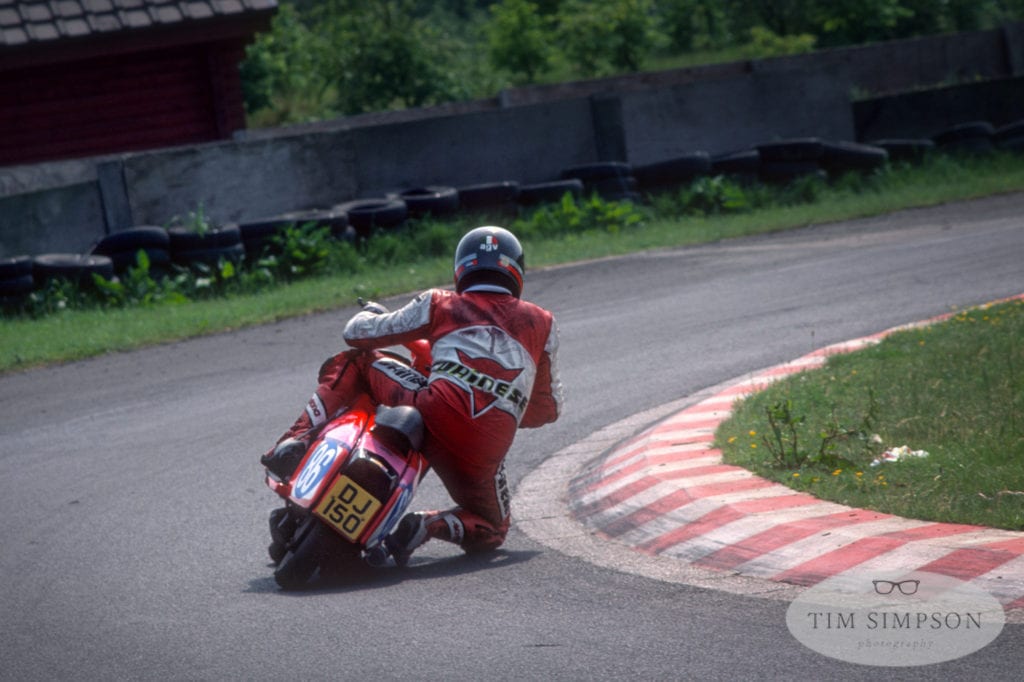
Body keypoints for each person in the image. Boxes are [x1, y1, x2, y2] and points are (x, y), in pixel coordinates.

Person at [262, 225, 563, 566]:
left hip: (432, 409)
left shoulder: (441, 302)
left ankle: (294, 441)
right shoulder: (544, 323)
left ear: (461, 268)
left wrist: (373, 313)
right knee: (494, 528)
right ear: (517, 271)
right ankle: (426, 526)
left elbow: (356, 334)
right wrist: (503, 399)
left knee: (357, 362)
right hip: (484, 452)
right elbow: (546, 411)